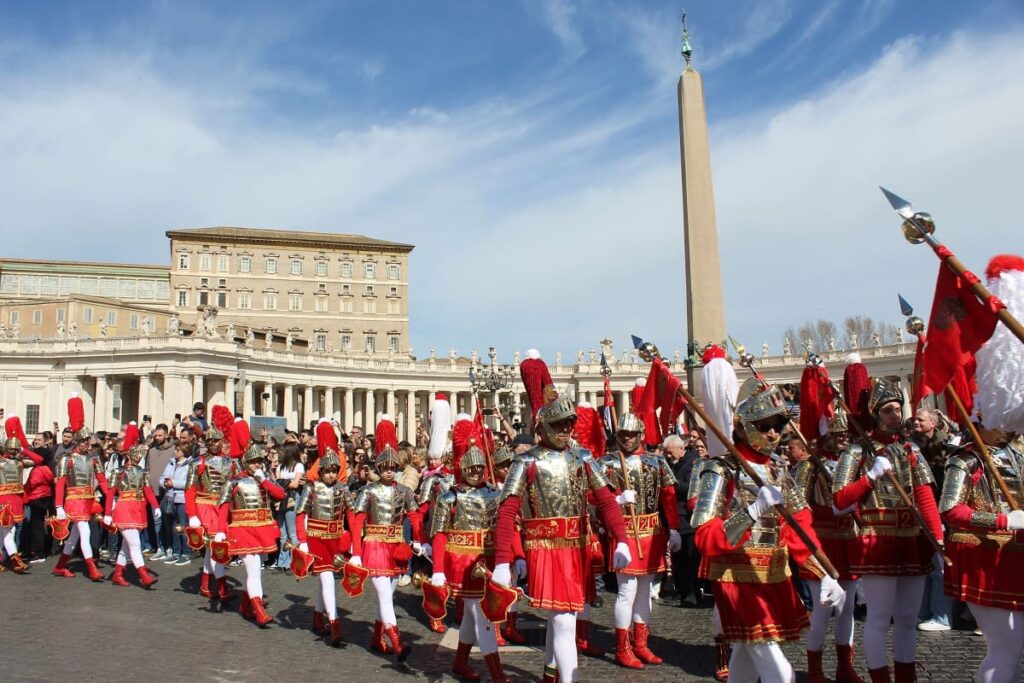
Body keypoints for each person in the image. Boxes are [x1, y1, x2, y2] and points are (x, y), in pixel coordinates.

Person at [693, 382, 844, 683]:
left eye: (778, 425)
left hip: (775, 574)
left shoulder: (778, 470)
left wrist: (825, 572)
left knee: (746, 662)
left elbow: (799, 527)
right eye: (764, 426)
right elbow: (704, 538)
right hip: (737, 576)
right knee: (780, 671)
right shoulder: (720, 469)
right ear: (745, 427)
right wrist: (751, 512)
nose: (773, 434)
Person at [493, 395, 631, 683]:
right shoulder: (525, 461)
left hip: (577, 547)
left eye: (569, 422)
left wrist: (621, 538)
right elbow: (507, 512)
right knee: (565, 622)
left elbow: (605, 501)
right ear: (543, 427)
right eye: (558, 423)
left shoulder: (582, 456)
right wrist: (503, 562)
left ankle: (551, 674)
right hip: (546, 549)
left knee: (562, 622)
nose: (565, 429)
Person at [833, 378, 943, 683]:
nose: (896, 415)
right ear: (876, 414)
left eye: (898, 409)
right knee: (880, 618)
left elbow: (924, 496)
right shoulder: (857, 451)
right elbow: (839, 500)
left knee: (908, 618)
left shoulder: (910, 449)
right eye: (888, 410)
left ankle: (906, 677)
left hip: (912, 539)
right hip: (877, 539)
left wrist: (938, 540)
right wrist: (869, 477)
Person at [939, 424, 1024, 683]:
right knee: (1004, 649)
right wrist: (1003, 521)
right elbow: (951, 509)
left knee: (1014, 651)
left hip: (1015, 557)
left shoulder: (1016, 453)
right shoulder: (965, 459)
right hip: (982, 558)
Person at [601, 413, 681, 669]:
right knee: (627, 592)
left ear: (640, 436)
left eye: (631, 435)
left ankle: (641, 643)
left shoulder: (656, 462)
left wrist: (675, 528)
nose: (626, 439)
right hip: (625, 531)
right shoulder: (608, 463)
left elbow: (668, 497)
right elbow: (594, 500)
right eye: (622, 435)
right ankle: (622, 647)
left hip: (652, 530)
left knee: (645, 592)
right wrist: (617, 501)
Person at [793, 408, 866, 683]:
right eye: (837, 435)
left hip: (849, 541)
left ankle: (845, 667)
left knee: (847, 609)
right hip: (821, 543)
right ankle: (815, 669)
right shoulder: (808, 465)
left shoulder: (856, 463)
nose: (843, 440)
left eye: (847, 435)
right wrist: (829, 512)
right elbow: (798, 506)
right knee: (822, 611)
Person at [429, 444, 511, 682]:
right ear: (463, 468)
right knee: (481, 615)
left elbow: (504, 529)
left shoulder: (495, 493)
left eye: (479, 467)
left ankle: (460, 662)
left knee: (470, 617)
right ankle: (497, 674)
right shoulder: (449, 496)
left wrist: (513, 558)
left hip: (489, 558)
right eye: (471, 468)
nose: (476, 472)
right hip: (462, 562)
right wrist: (437, 570)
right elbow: (440, 534)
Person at [350, 445, 426, 660]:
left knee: (388, 596)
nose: (389, 471)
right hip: (374, 545)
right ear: (379, 467)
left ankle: (376, 637)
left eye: (393, 467)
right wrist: (356, 552)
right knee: (384, 595)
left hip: (396, 546)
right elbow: (358, 522)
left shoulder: (404, 491)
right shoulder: (368, 490)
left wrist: (420, 540)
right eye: (385, 467)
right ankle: (397, 641)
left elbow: (415, 516)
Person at [216, 444, 286, 627]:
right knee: (254, 570)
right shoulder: (233, 481)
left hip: (262, 528)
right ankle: (259, 610)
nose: (256, 465)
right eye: (253, 462)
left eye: (258, 461)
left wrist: (264, 480)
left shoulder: (264, 479)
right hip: (243, 529)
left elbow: (280, 494)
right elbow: (223, 506)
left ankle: (246, 606)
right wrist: (220, 531)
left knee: (256, 569)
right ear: (245, 462)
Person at [294, 448, 355, 646]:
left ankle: (317, 617)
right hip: (317, 539)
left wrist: (354, 542)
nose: (330, 474)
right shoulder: (311, 489)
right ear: (320, 472)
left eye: (333, 470)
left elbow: (351, 515)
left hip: (336, 539)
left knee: (325, 581)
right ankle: (335, 624)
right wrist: (302, 541)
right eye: (326, 470)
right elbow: (300, 514)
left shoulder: (343, 489)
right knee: (327, 578)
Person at [909, 407, 955, 632]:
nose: (915, 422)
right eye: (915, 419)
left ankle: (942, 615)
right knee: (925, 567)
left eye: (920, 419)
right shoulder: (911, 446)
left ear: (934, 424)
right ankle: (923, 611)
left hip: (940, 512)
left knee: (940, 568)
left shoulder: (946, 448)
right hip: (919, 514)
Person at [184, 424, 236, 601]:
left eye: (216, 440)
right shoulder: (198, 462)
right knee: (216, 547)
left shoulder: (230, 462)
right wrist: (192, 515)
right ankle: (222, 588)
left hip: (222, 508)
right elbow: (190, 489)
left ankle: (205, 584)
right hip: (205, 507)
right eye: (210, 441)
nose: (213, 444)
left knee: (211, 549)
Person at [52, 428, 110, 581]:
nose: (86, 444)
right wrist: (58, 506)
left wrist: (111, 497)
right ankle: (92, 568)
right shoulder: (67, 458)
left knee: (74, 537)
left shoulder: (93, 458)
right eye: (83, 441)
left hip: (89, 499)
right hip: (74, 500)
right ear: (77, 442)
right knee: (85, 533)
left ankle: (59, 566)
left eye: (87, 441)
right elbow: (60, 483)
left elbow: (102, 479)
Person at [105, 445, 161, 588]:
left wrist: (155, 506)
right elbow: (110, 493)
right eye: (136, 455)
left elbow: (148, 491)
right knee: (135, 544)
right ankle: (144, 576)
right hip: (124, 509)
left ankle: (117, 574)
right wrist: (107, 513)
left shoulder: (143, 472)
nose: (139, 457)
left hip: (137, 509)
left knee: (127, 546)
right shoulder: (118, 472)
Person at [1, 436, 43, 572]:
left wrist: (24, 450)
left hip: (16, 499)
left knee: (5, 531)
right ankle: (15, 560)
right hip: (3, 499)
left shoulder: (20, 462)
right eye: (11, 449)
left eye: (15, 449)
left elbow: (39, 460)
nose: (13, 451)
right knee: (8, 530)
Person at [271, 443, 305, 571]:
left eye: (283, 451)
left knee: (292, 531)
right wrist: (285, 482)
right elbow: (276, 482)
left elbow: (296, 485)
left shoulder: (298, 465)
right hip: (280, 498)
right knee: (282, 532)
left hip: (292, 498)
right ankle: (283, 562)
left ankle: (295, 561)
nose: (280, 454)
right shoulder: (281, 466)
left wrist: (283, 482)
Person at [147, 423, 175, 559]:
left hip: (167, 492)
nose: (157, 437)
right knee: (156, 522)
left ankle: (170, 547)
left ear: (166, 435)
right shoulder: (151, 451)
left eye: (160, 435)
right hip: (153, 493)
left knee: (168, 522)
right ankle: (160, 547)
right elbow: (148, 469)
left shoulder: (173, 450)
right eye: (155, 435)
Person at [162, 442, 193, 565]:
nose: (176, 452)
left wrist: (174, 483)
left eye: (178, 450)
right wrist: (164, 482)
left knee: (183, 525)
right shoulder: (171, 463)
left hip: (182, 498)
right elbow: (163, 477)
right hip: (170, 497)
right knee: (174, 526)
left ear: (184, 451)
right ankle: (176, 551)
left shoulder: (190, 464)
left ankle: (186, 552)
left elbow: (189, 482)